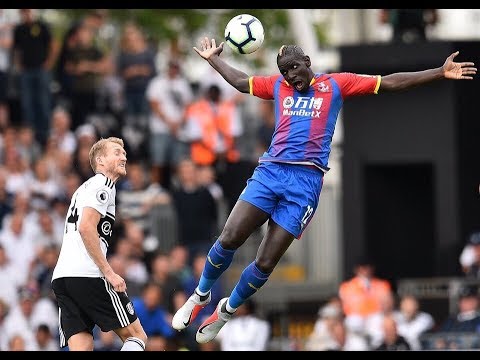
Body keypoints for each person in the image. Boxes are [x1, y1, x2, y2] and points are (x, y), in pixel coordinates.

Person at [171, 36, 477, 345]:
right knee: (229, 236)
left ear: (307, 63)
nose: (290, 76)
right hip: (271, 171)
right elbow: (240, 81)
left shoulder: (336, 84)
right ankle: (200, 295)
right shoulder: (278, 86)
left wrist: (438, 72)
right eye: (284, 71)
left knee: (265, 262)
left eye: (293, 68)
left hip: (306, 184)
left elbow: (390, 83)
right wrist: (213, 59)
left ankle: (226, 311)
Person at [51, 137, 147, 351]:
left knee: (82, 347)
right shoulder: (102, 183)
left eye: (123, 152)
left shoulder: (82, 189)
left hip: (63, 278)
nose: (123, 156)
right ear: (101, 160)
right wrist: (109, 272)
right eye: (117, 152)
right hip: (88, 274)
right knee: (137, 335)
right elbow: (86, 227)